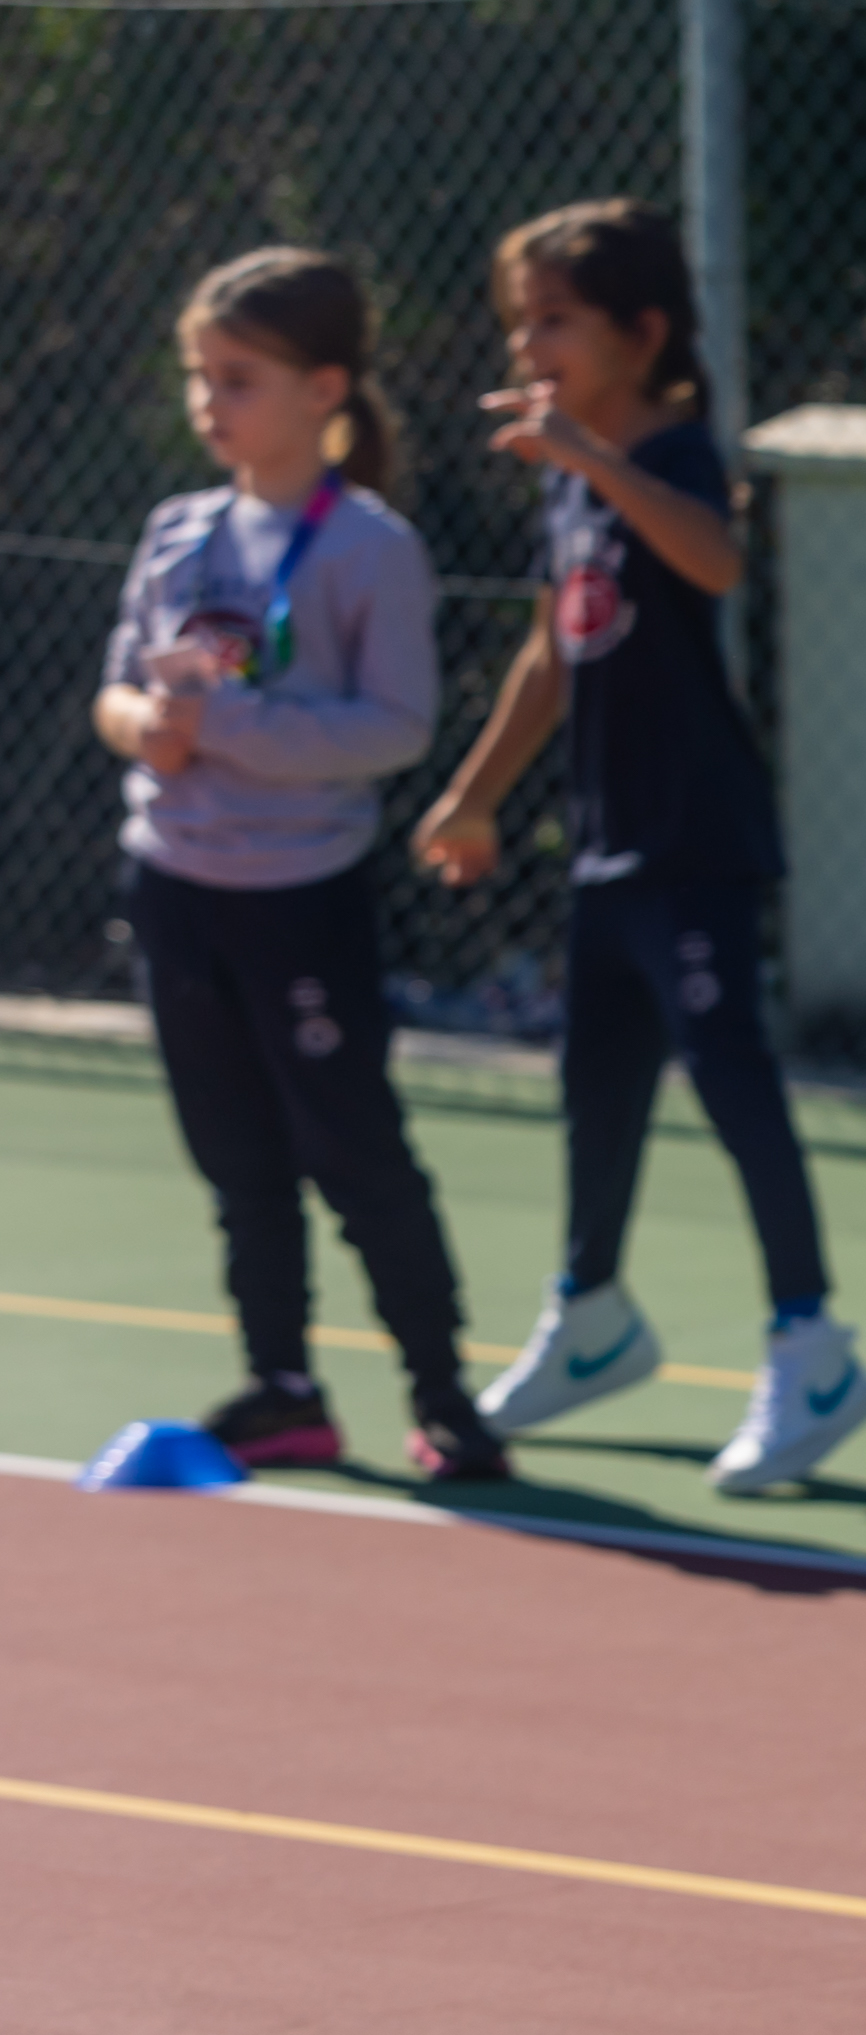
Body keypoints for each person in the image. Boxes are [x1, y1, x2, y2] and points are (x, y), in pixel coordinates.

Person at [413, 202, 866, 1495]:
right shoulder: (578, 470)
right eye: (522, 318)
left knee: (735, 1091)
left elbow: (716, 562)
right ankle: (593, 1314)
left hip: (696, 842)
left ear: (641, 331)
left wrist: (594, 461)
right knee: (595, 1089)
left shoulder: (668, 450)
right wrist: (476, 790)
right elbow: (557, 646)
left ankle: (814, 1344)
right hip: (606, 847)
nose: (529, 339)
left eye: (554, 316)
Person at [96, 249, 506, 1484]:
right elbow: (122, 693)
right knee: (236, 1159)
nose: (210, 404)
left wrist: (224, 728)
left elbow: (395, 727)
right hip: (175, 886)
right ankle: (283, 1387)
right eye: (199, 379)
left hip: (298, 904)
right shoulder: (186, 534)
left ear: (325, 387)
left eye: (240, 379)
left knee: (354, 1149)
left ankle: (440, 1394)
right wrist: (147, 727)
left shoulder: (366, 548)